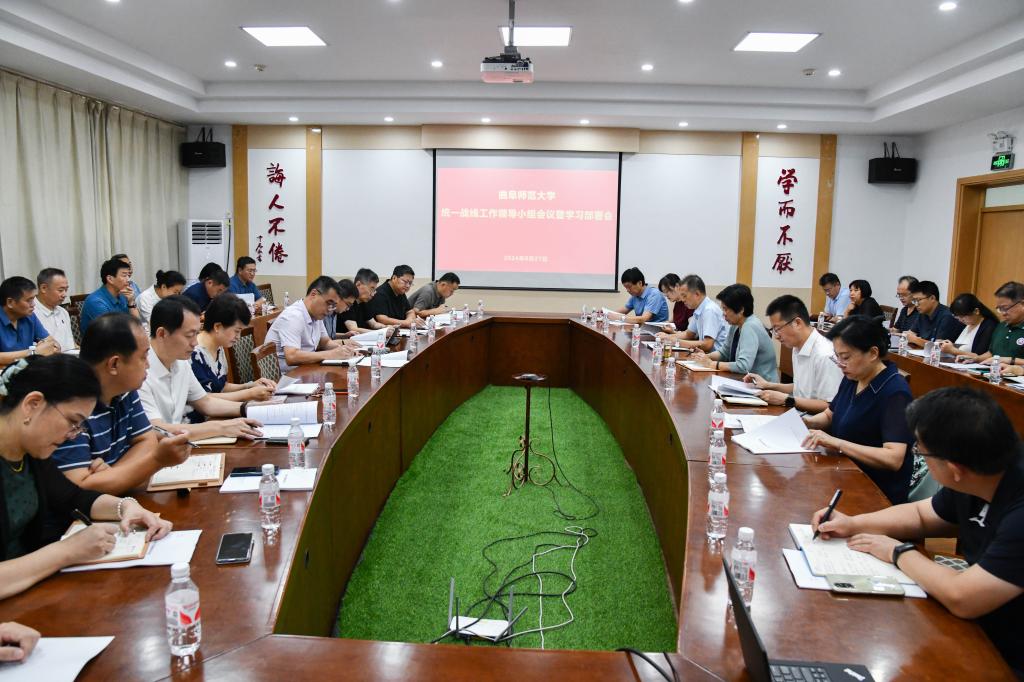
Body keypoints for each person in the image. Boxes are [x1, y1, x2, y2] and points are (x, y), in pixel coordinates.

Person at [811, 387, 1024, 676]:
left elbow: (963, 597)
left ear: (955, 469)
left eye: (920, 452)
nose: (918, 456)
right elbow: (922, 515)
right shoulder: (978, 466)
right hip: (984, 627)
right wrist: (853, 523)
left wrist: (898, 552)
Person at [0, 355, 171, 600]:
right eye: (72, 422)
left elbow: (73, 497)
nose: (72, 436)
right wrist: (67, 551)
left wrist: (126, 507)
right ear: (32, 404)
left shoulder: (30, 453)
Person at [51, 313, 191, 494]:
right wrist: (156, 460)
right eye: (143, 357)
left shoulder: (124, 389)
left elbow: (147, 441)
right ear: (114, 364)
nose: (148, 365)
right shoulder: (70, 406)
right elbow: (79, 489)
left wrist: (112, 476)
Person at [801, 317, 915, 503]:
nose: (840, 364)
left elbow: (893, 458)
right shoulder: (853, 377)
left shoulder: (895, 392)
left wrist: (837, 443)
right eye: (837, 356)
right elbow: (830, 415)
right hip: (844, 472)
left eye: (846, 357)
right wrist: (804, 422)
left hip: (874, 492)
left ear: (873, 353)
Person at [139, 296, 262, 440]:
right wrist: (221, 427)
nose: (195, 343)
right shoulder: (140, 373)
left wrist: (249, 408)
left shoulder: (181, 362)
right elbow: (157, 429)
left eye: (197, 334)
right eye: (189, 335)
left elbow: (205, 402)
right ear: (162, 334)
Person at [744, 295, 842, 414]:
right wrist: (768, 385)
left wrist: (787, 400)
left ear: (797, 323)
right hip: (799, 415)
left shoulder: (824, 355)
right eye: (773, 330)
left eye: (778, 329)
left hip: (814, 422)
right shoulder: (797, 346)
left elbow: (831, 406)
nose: (776, 336)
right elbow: (801, 388)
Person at [191, 293, 276, 401]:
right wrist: (250, 393)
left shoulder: (218, 346)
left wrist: (251, 385)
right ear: (217, 326)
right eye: (236, 331)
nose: (238, 337)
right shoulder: (194, 353)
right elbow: (204, 399)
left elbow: (222, 387)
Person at [265, 277, 361, 372]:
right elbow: (292, 356)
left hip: (305, 371)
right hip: (286, 377)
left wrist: (345, 350)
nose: (330, 310)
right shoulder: (293, 316)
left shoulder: (316, 315)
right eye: (329, 303)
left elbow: (325, 342)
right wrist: (331, 354)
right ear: (313, 294)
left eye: (333, 306)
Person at [690, 284, 777, 381]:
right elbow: (724, 353)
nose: (723, 314)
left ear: (741, 310)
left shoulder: (750, 326)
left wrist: (711, 364)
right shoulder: (736, 324)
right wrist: (704, 357)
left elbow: (743, 366)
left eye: (726, 309)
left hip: (762, 385)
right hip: (744, 380)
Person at [958, 281, 1024, 369]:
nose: (1003, 313)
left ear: (1022, 304)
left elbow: (1000, 359)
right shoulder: (1001, 326)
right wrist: (976, 359)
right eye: (999, 309)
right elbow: (991, 353)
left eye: (1005, 308)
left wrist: (1009, 360)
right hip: (994, 373)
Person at [656, 274, 727, 353]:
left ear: (697, 294)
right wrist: (667, 337)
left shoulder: (709, 310)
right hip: (704, 355)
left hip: (714, 356)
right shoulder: (698, 309)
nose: (682, 300)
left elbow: (707, 344)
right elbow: (688, 334)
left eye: (684, 296)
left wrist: (676, 342)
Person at [0, 277, 57, 365]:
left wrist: (46, 346)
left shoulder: (29, 316)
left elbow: (52, 344)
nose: (33, 304)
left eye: (33, 299)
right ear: (10, 302)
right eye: (29, 300)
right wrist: (33, 352)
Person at [80, 257, 139, 333]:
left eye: (128, 275)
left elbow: (137, 326)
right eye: (124, 276)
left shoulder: (123, 295)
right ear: (110, 279)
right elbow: (112, 333)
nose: (128, 280)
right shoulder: (96, 302)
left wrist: (131, 302)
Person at [905, 280, 964, 348]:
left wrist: (915, 340)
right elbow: (910, 334)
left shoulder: (947, 316)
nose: (916, 304)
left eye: (918, 300)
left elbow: (939, 347)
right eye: (914, 301)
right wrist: (912, 338)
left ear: (932, 298)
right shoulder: (922, 313)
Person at [939, 293, 998, 358]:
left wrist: (953, 350)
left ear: (976, 311)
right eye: (958, 317)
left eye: (962, 317)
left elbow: (980, 356)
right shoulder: (967, 324)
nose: (960, 320)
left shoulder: (989, 326)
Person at [34, 268, 76, 351]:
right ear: (43, 288)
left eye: (66, 290)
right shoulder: (30, 313)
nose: (64, 295)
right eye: (60, 290)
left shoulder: (63, 312)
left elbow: (71, 344)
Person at [340, 268, 389, 335]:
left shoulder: (365, 301)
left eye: (375, 290)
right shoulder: (348, 301)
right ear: (358, 284)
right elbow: (354, 329)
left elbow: (373, 324)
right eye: (372, 288)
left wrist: (387, 327)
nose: (373, 294)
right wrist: (381, 333)